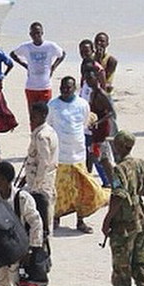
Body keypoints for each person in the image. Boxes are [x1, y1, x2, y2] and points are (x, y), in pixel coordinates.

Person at [98, 130, 144, 286]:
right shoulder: (141, 164)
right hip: (141, 220)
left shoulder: (119, 169)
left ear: (122, 146)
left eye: (116, 145)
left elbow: (118, 195)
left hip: (123, 225)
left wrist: (107, 220)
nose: (114, 148)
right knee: (141, 264)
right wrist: (136, 192)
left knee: (122, 267)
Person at [48, 76, 109, 233]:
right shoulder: (53, 105)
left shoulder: (82, 104)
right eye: (63, 87)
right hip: (60, 155)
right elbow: (49, 126)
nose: (65, 90)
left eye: (69, 88)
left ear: (74, 89)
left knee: (80, 189)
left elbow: (83, 124)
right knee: (59, 189)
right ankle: (56, 218)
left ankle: (80, 221)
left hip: (78, 154)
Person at [0, 161, 43, 286]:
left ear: (5, 179)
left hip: (19, 251)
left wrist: (32, 249)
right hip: (1, 250)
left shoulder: (22, 198)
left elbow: (36, 222)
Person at [11, 22, 66, 119]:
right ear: (30, 35)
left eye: (38, 33)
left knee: (46, 115)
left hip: (45, 87)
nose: (36, 36)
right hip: (31, 87)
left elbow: (62, 54)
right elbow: (13, 54)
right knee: (33, 116)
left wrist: (53, 67)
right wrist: (25, 65)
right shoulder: (26, 47)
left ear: (42, 33)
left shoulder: (50, 46)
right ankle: (34, 134)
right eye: (33, 33)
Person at [25, 101, 59, 230]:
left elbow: (44, 162)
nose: (32, 118)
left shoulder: (42, 136)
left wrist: (36, 185)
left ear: (44, 115)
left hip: (41, 184)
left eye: (35, 115)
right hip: (45, 180)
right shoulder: (49, 131)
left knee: (42, 216)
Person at [85, 68, 116, 187]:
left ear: (96, 79)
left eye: (91, 79)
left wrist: (99, 121)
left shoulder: (102, 94)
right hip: (94, 129)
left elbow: (111, 112)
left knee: (101, 157)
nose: (89, 81)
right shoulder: (92, 93)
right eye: (87, 79)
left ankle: (113, 183)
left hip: (102, 129)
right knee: (93, 156)